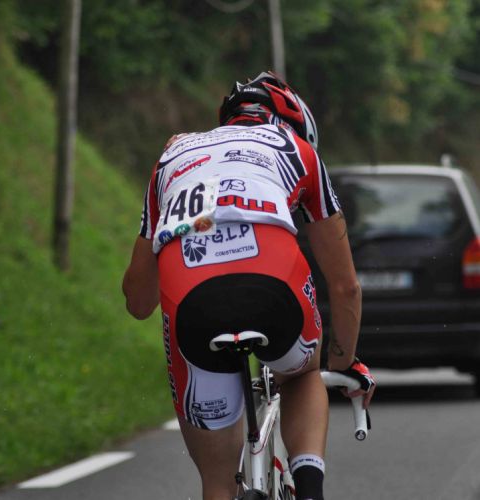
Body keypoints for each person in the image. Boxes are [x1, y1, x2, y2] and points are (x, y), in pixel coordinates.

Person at [122, 71, 375, 500]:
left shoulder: (172, 156)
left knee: (217, 483)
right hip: (275, 290)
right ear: (294, 125)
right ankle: (310, 490)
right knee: (301, 374)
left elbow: (139, 302)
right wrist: (343, 362)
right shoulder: (297, 150)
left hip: (192, 304)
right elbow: (345, 286)